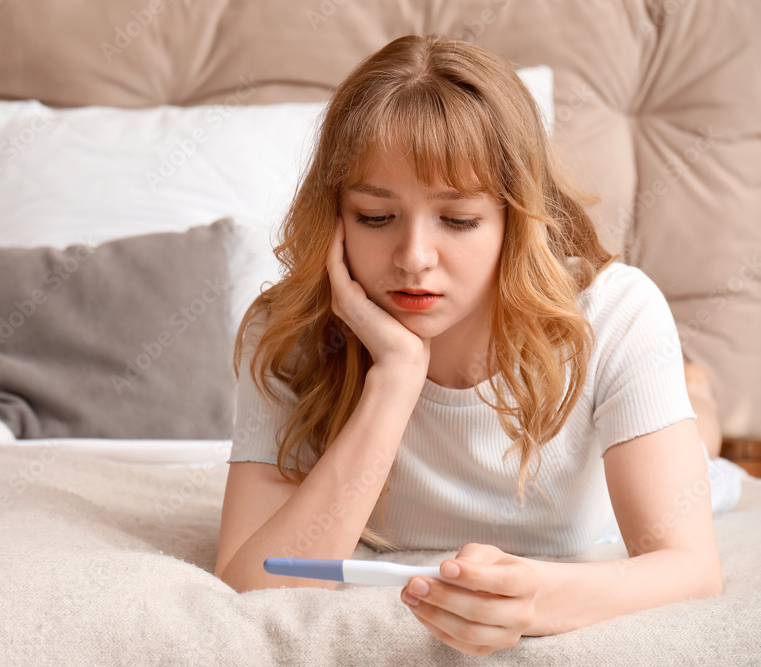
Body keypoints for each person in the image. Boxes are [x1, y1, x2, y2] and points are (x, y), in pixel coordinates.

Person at [213, 33, 741, 656]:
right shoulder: (287, 333)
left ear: (516, 221)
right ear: (333, 217)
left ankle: (692, 392)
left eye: (458, 220)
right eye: (375, 217)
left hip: (615, 450)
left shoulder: (618, 313)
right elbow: (253, 583)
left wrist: (535, 598)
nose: (413, 259)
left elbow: (691, 569)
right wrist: (396, 377)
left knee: (698, 444)